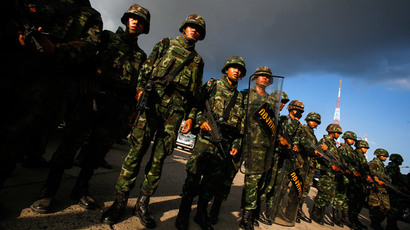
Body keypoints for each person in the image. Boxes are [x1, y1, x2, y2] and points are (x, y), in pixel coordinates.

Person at [101, 14, 206, 228]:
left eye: (198, 29)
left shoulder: (198, 61)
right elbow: (147, 68)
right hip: (153, 104)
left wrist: (191, 117)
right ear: (184, 27)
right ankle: (120, 201)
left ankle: (143, 202)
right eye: (191, 26)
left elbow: (195, 93)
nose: (194, 30)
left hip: (175, 112)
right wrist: (140, 89)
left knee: (158, 160)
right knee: (136, 152)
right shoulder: (166, 44)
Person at [25, 0, 103, 214]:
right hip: (29, 70)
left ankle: (49, 190)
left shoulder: (90, 14)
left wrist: (57, 49)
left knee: (70, 139)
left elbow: (90, 44)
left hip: (67, 78)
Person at [175, 56, 246, 230]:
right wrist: (200, 121)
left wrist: (236, 145)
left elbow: (241, 126)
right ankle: (183, 213)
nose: (236, 71)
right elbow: (197, 104)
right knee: (193, 176)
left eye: (239, 69)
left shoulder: (241, 97)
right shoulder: (213, 85)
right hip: (205, 140)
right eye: (233, 67)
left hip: (225, 144)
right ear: (226, 69)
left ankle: (201, 214)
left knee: (211, 182)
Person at [239, 66, 280, 230]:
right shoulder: (245, 95)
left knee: (256, 182)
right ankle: (214, 209)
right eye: (261, 75)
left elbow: (272, 127)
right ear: (255, 77)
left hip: (262, 147)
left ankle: (248, 215)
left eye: (267, 77)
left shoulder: (271, 101)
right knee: (228, 178)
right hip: (244, 142)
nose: (264, 78)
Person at [311, 123, 344, 226]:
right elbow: (320, 156)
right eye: (337, 133)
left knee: (327, 197)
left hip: (332, 174)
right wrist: (331, 166)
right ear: (332, 132)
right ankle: (316, 215)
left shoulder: (333, 144)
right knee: (322, 195)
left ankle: (321, 215)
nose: (338, 135)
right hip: (326, 173)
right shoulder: (324, 142)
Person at [294, 111, 322, 223]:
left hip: (310, 166)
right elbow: (303, 143)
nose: (314, 123)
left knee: (305, 189)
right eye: (312, 120)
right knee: (297, 188)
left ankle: (299, 209)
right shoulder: (303, 129)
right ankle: (293, 210)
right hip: (302, 164)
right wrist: (314, 151)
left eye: (316, 122)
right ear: (307, 120)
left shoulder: (313, 135)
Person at [332, 131, 357, 227]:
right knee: (339, 197)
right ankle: (336, 217)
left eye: (354, 140)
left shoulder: (352, 151)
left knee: (346, 199)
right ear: (346, 138)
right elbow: (344, 162)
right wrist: (351, 170)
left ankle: (345, 218)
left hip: (350, 177)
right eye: (351, 139)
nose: (352, 141)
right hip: (343, 175)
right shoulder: (342, 148)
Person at [347, 140, 372, 230]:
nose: (366, 149)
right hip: (356, 181)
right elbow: (349, 164)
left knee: (359, 203)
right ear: (360, 147)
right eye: (365, 147)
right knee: (354, 202)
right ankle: (351, 220)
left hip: (362, 182)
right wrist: (355, 173)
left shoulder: (362, 157)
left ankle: (355, 219)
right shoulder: (354, 154)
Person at [368, 148, 391, 230]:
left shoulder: (382, 165)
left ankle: (377, 222)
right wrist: (377, 181)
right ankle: (374, 223)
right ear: (379, 155)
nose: (385, 158)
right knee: (374, 206)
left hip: (383, 189)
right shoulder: (373, 163)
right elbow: (370, 173)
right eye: (384, 156)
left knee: (386, 208)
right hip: (375, 188)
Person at [386, 153, 409, 230]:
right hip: (393, 190)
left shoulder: (395, 168)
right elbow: (391, 179)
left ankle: (392, 225)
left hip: (395, 190)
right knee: (394, 210)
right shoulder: (392, 168)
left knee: (396, 210)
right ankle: (390, 226)